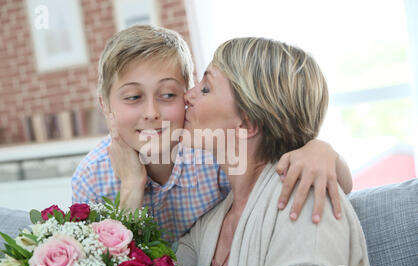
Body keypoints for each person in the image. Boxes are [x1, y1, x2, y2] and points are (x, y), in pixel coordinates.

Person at [71, 25, 353, 243]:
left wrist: (319, 148)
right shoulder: (92, 178)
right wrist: (132, 185)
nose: (151, 113)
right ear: (105, 106)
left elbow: (324, 179)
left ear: (188, 94)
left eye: (168, 94)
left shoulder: (214, 151)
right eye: (132, 97)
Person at [176, 37, 373, 266]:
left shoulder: (305, 201)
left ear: (246, 124)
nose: (187, 96)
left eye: (206, 88)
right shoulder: (213, 224)